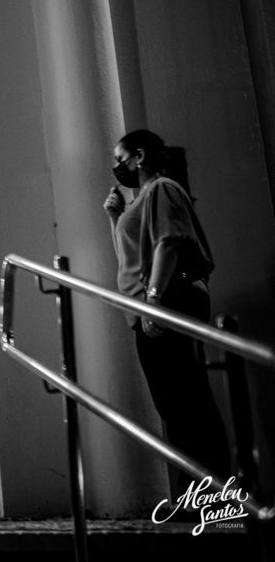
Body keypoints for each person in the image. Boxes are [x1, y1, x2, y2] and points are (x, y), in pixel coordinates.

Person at [103, 129, 230, 492]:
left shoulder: (162, 188)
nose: (117, 167)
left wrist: (154, 300)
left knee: (187, 400)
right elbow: (131, 259)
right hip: (150, 305)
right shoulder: (141, 198)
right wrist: (115, 218)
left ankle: (212, 495)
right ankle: (194, 493)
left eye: (120, 158)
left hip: (168, 299)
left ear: (139, 156)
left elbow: (169, 243)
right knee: (174, 403)